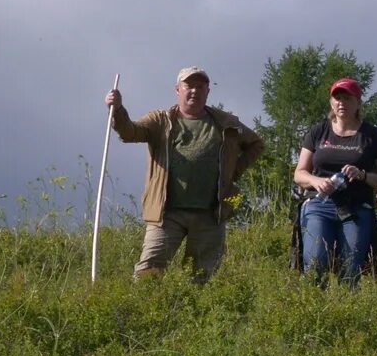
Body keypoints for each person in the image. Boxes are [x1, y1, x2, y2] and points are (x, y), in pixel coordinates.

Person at [105, 67, 264, 284]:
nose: (194, 91)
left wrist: (232, 171)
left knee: (200, 279)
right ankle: (140, 314)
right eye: (189, 86)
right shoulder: (160, 121)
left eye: (200, 87)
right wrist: (117, 110)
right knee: (149, 272)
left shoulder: (226, 123)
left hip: (210, 215)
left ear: (208, 92)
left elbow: (256, 144)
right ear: (177, 89)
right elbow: (129, 132)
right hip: (166, 214)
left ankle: (192, 317)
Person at [291, 78, 377, 285]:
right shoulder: (318, 131)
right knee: (316, 261)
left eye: (347, 98)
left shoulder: (372, 136)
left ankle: (347, 310)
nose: (341, 103)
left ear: (357, 102)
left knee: (351, 265)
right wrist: (316, 181)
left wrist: (363, 175)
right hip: (319, 205)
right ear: (331, 102)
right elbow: (299, 173)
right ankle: (314, 310)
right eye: (337, 98)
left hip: (356, 208)